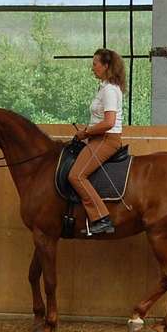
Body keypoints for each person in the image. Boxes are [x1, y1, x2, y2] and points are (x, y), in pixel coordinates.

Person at [68, 48, 125, 235]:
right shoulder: (103, 87)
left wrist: (86, 132)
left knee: (76, 175)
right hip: (97, 138)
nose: (92, 68)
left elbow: (108, 122)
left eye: (95, 64)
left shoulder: (109, 90)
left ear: (106, 66)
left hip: (106, 139)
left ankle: (102, 218)